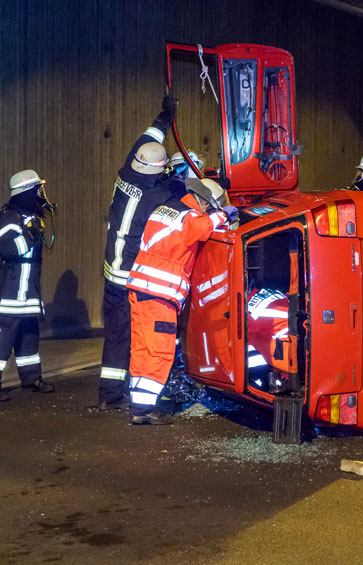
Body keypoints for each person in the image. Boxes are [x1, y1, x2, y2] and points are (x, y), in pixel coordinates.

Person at [125, 178, 237, 424]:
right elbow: (201, 228)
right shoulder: (188, 218)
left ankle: (139, 406)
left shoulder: (166, 210)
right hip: (160, 294)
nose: (211, 211)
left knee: (142, 349)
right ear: (204, 201)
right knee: (160, 351)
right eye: (212, 207)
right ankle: (145, 411)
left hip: (140, 290)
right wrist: (224, 216)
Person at [97, 96, 178, 411]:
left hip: (110, 270)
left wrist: (163, 118)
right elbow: (183, 195)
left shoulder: (125, 174)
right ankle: (143, 392)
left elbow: (147, 140)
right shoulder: (158, 194)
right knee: (142, 335)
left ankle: (108, 395)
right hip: (131, 277)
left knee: (115, 334)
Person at [0, 169, 56, 401]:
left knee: (29, 337)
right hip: (10, 294)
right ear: (26, 190)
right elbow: (10, 248)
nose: (40, 193)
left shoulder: (30, 216)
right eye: (37, 189)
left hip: (28, 293)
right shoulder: (8, 217)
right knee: (1, 338)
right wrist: (32, 234)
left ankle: (31, 379)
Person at [245, 287, 291, 392]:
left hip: (290, 355)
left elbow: (237, 334)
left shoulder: (249, 314)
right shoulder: (266, 292)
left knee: (244, 341)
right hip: (300, 338)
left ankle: (260, 380)